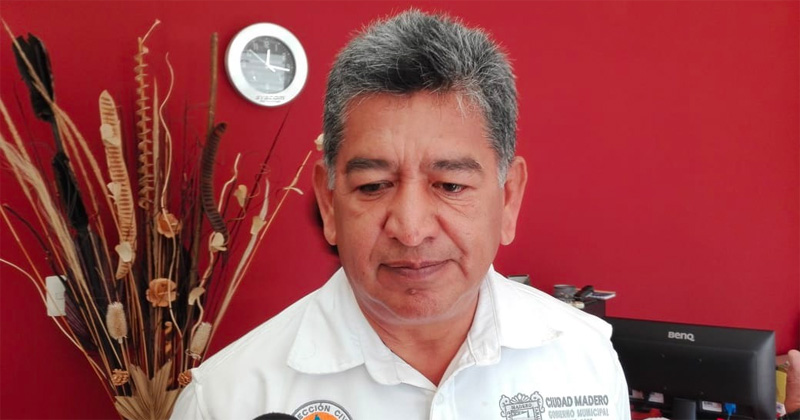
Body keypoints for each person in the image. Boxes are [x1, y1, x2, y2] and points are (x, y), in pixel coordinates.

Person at [171, 10, 630, 419]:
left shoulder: (583, 358)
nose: (410, 230)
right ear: (329, 203)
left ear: (508, 198)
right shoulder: (227, 400)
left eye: (450, 186)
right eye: (373, 186)